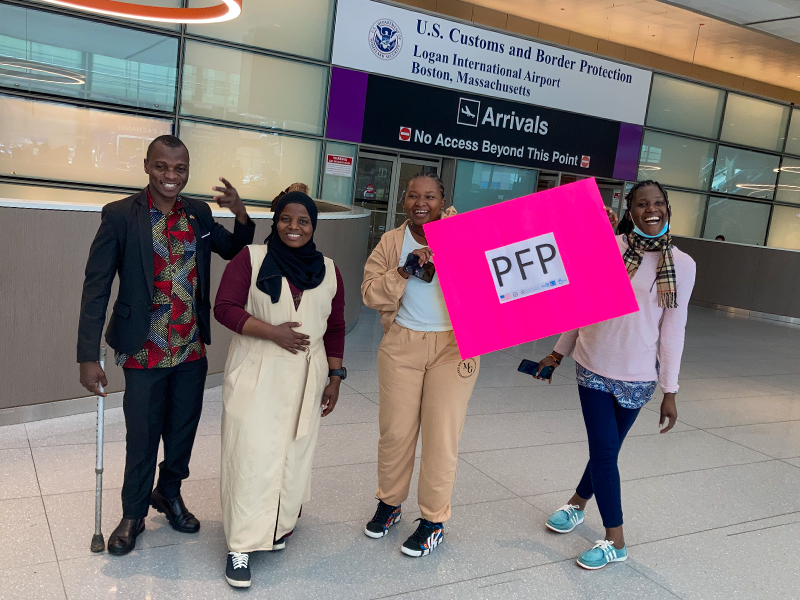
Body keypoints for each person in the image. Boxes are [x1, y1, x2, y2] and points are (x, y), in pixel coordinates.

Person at [77, 134, 255, 556]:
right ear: (146, 166)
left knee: (182, 431)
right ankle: (133, 512)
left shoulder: (197, 213)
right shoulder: (120, 216)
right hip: (143, 350)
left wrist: (240, 212)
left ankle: (168, 493)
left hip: (191, 348)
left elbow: (234, 249)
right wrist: (88, 355)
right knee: (143, 434)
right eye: (162, 167)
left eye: (179, 169)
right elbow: (96, 288)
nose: (170, 176)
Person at [534, 180, 696, 570]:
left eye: (658, 203)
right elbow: (581, 308)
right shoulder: (607, 247)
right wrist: (558, 353)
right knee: (605, 452)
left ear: (668, 208)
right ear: (630, 210)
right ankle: (616, 540)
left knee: (606, 451)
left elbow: (674, 330)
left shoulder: (682, 265)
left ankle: (577, 504)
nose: (651, 210)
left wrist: (670, 390)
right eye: (642, 204)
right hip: (592, 364)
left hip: (637, 377)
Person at [213, 191, 346, 588]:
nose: (294, 227)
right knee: (250, 453)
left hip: (308, 375)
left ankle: (279, 524)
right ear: (276, 221)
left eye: (303, 221)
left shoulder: (329, 269)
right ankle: (240, 544)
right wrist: (271, 331)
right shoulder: (251, 259)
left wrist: (336, 377)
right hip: (257, 370)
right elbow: (224, 307)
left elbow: (335, 328)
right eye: (286, 219)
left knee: (293, 451)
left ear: (313, 226)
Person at [361, 172, 480, 557]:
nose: (420, 203)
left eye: (429, 196)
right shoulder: (392, 241)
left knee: (441, 438)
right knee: (395, 432)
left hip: (454, 347)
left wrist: (452, 253)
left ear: (442, 200)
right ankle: (390, 503)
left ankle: (433, 520)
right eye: (413, 196)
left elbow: (490, 279)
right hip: (402, 344)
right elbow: (369, 293)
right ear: (403, 200)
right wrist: (403, 271)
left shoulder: (463, 233)